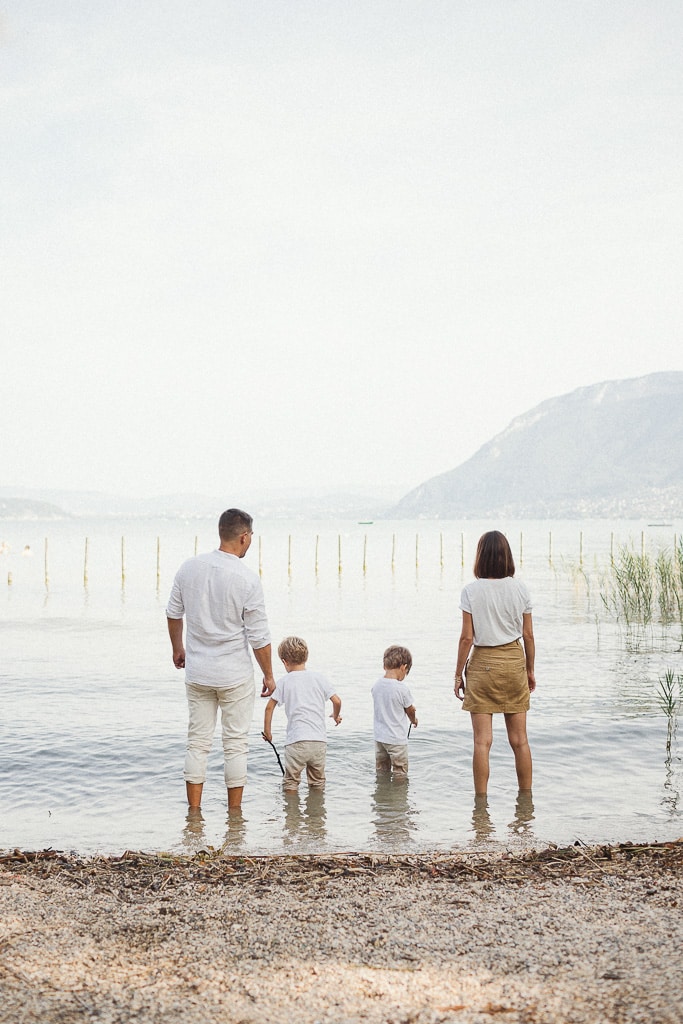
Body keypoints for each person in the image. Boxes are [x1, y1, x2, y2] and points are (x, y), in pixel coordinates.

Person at [166, 508, 275, 813]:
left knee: (197, 743)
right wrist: (268, 675)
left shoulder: (189, 568)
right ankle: (234, 815)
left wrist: (178, 648)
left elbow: (174, 612)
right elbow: (259, 636)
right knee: (235, 744)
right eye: (251, 536)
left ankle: (195, 813)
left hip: (198, 671)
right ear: (244, 537)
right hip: (234, 675)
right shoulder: (247, 579)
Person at [454, 530, 536, 797]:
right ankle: (526, 804)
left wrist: (457, 675)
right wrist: (530, 670)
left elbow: (467, 638)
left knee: (482, 742)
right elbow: (528, 635)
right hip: (513, 661)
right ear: (506, 556)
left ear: (480, 556)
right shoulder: (520, 588)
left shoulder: (471, 591)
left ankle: (481, 808)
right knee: (520, 741)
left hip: (483, 663)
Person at [262, 636, 342, 792]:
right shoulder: (319, 678)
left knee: (291, 782)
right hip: (318, 741)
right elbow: (337, 701)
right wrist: (335, 715)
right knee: (317, 782)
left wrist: (268, 732)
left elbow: (269, 708)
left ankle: (292, 815)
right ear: (306, 657)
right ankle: (316, 815)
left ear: (284, 662)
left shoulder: (285, 681)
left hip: (296, 741)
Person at [371, 645, 418, 778]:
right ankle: (398, 796)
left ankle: (382, 794)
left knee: (381, 769)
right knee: (400, 771)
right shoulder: (401, 689)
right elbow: (410, 709)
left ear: (384, 666)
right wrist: (414, 720)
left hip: (380, 738)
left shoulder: (376, 685)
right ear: (404, 667)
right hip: (396, 740)